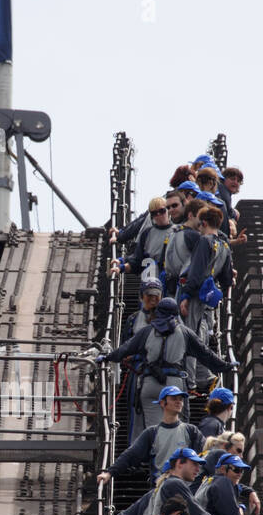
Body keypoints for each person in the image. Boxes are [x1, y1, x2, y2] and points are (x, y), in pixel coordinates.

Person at [97, 299, 236, 434]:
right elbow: (206, 354)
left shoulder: (146, 331)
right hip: (174, 385)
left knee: (154, 431)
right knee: (177, 429)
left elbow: (125, 349)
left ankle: (154, 455)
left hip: (150, 383)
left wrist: (107, 357)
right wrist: (226, 366)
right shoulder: (185, 332)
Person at [98, 386, 205, 486]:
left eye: (181, 399)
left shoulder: (191, 431)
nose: (179, 402)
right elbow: (131, 455)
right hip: (161, 488)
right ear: (163, 403)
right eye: (174, 398)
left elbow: (206, 453)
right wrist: (109, 473)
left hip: (186, 488)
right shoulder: (152, 433)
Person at [178, 206, 233, 388]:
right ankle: (203, 377)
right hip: (208, 299)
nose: (199, 227)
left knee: (188, 336)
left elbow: (195, 272)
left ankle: (188, 381)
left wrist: (185, 295)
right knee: (199, 338)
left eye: (200, 224)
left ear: (204, 223)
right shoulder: (224, 245)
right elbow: (226, 279)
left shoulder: (204, 242)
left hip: (194, 296)